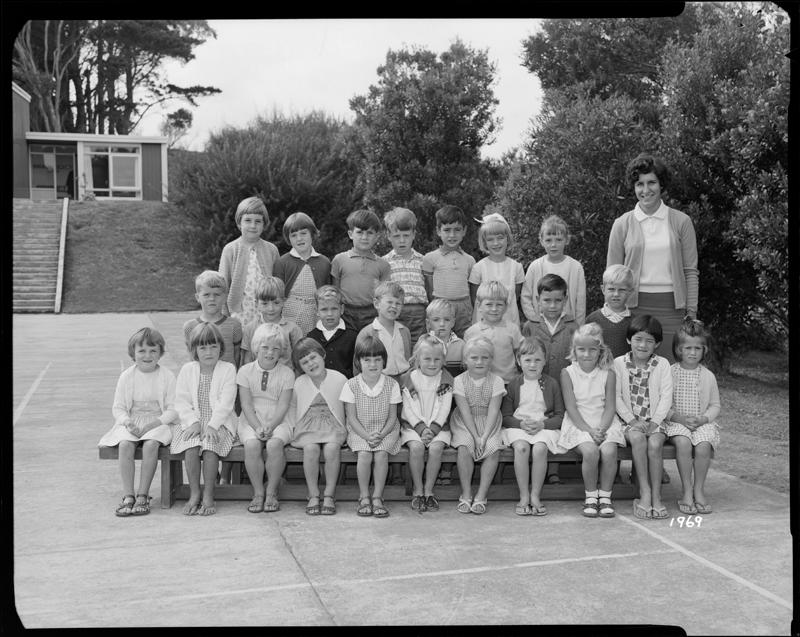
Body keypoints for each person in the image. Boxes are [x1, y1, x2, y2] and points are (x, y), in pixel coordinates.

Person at [607, 153, 699, 362]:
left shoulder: (681, 222)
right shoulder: (622, 224)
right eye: (640, 184)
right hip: (631, 309)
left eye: (652, 183)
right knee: (634, 375)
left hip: (672, 310)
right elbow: (612, 275)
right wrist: (613, 310)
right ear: (633, 187)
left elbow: (690, 272)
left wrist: (691, 313)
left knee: (669, 372)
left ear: (661, 185)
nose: (645, 190)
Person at [98, 327, 177, 517]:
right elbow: (118, 407)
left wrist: (154, 424)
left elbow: (173, 409)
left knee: (150, 445)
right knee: (125, 444)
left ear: (160, 353)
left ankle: (143, 494)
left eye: (153, 351)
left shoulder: (167, 376)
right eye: (142, 351)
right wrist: (127, 422)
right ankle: (128, 495)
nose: (147, 355)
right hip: (133, 421)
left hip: (158, 422)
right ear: (133, 353)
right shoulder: (127, 376)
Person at [558, 323, 626, 518]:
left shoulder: (608, 373)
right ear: (574, 350)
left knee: (609, 450)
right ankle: (590, 497)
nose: (586, 354)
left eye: (592, 349)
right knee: (590, 451)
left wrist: (601, 430)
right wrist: (589, 431)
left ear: (600, 350)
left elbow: (610, 407)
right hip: (578, 423)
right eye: (581, 349)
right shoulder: (567, 373)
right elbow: (571, 407)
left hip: (604, 423)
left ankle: (605, 497)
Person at [171, 322, 237, 516]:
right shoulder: (188, 369)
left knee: (209, 448)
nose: (209, 352)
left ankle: (208, 494)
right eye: (203, 347)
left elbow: (226, 403)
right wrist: (193, 422)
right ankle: (194, 493)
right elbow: (181, 401)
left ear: (221, 348)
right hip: (193, 422)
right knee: (191, 446)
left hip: (219, 423)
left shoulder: (228, 369)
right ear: (194, 350)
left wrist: (212, 425)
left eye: (213, 346)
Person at [614, 314, 674, 520]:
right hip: (627, 422)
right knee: (638, 439)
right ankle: (644, 493)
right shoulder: (618, 363)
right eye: (638, 339)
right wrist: (632, 421)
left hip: (656, 421)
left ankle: (657, 496)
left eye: (649, 341)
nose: (643, 345)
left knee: (656, 445)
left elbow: (667, 396)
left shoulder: (662, 364)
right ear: (629, 340)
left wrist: (655, 422)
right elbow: (616, 397)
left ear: (657, 344)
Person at [500, 337, 565, 516]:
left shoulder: (552, 384)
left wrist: (542, 424)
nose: (532, 364)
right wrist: (520, 424)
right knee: (521, 448)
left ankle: (535, 495)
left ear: (545, 361)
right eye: (527, 360)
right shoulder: (514, 384)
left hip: (543, 426)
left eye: (537, 360)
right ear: (519, 361)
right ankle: (523, 495)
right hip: (518, 426)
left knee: (540, 449)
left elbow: (560, 416)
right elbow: (505, 417)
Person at [340, 333, 402, 518]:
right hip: (360, 430)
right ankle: (364, 495)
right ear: (359, 362)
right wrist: (367, 437)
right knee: (365, 454)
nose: (373, 364)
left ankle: (377, 496)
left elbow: (392, 417)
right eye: (367, 360)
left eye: (377, 359)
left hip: (386, 430)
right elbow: (351, 417)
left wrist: (381, 435)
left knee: (382, 454)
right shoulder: (351, 385)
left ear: (384, 361)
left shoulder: (392, 385)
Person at [235, 323, 294, 514]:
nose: (270, 352)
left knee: (274, 445)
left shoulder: (287, 373)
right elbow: (245, 404)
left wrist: (270, 426)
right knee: (252, 445)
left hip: (279, 417)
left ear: (282, 351)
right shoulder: (245, 371)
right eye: (265, 347)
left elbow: (284, 405)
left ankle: (271, 491)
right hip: (251, 417)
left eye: (276, 348)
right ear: (256, 348)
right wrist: (258, 426)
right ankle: (258, 492)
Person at [664, 319, 720, 515]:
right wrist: (678, 418)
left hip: (701, 421)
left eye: (698, 348)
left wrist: (704, 419)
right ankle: (686, 490)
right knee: (684, 443)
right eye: (688, 347)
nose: (692, 352)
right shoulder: (669, 373)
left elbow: (715, 405)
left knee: (704, 445)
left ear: (704, 350)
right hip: (675, 422)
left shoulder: (708, 376)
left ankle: (699, 489)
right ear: (679, 349)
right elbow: (663, 406)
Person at [289, 338, 349, 516]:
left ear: (323, 355)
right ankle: (313, 493)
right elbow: (293, 408)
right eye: (305, 362)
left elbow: (347, 407)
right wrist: (292, 428)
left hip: (333, 424)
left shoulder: (339, 379)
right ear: (300, 367)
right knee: (310, 449)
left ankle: (329, 494)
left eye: (313, 357)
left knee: (332, 449)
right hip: (308, 425)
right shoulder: (299, 383)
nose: (311, 364)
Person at [450, 336, 506, 515]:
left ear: (491, 360)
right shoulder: (459, 380)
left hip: (489, 421)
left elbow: (494, 410)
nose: (480, 362)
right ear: (466, 360)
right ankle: (466, 493)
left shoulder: (496, 381)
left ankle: (481, 495)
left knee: (492, 448)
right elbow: (464, 411)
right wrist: (475, 436)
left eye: (485, 357)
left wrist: (484, 436)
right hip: (465, 422)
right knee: (465, 447)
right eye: (474, 358)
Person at [398, 335, 454, 512]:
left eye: (437, 359)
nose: (432, 363)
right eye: (427, 359)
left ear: (443, 360)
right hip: (413, 426)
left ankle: (429, 490)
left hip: (439, 426)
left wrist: (433, 429)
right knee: (416, 448)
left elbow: (445, 408)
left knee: (436, 449)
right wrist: (422, 429)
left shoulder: (446, 379)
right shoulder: (410, 378)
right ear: (417, 360)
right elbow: (408, 408)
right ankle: (418, 490)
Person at [218, 196, 280, 323]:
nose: (253, 225)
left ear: (264, 224)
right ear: (239, 223)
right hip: (239, 314)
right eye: (248, 220)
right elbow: (222, 285)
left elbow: (278, 284)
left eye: (258, 221)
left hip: (267, 313)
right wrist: (224, 316)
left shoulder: (271, 250)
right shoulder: (230, 249)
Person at [331, 209, 391, 332]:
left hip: (371, 313)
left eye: (369, 233)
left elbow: (383, 295)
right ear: (350, 234)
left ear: (377, 236)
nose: (364, 237)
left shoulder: (383, 265)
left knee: (369, 348)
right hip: (345, 313)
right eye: (359, 232)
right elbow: (335, 291)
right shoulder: (339, 260)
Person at [272, 212, 331, 336]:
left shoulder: (324, 262)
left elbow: (327, 292)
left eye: (303, 233)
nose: (299, 238)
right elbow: (277, 295)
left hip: (315, 312)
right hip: (290, 312)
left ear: (312, 234)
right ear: (289, 239)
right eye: (294, 235)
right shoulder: (282, 262)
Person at [521, 214, 586, 327]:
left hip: (567, 326)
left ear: (567, 240)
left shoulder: (576, 267)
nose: (553, 245)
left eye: (559, 240)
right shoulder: (535, 266)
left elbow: (580, 301)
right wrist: (535, 320)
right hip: (541, 326)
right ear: (541, 241)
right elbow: (525, 296)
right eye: (548, 240)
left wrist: (579, 327)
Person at [421, 205, 476, 338]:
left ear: (464, 231)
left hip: (464, 306)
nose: (452, 235)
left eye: (457, 230)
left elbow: (472, 289)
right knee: (439, 340)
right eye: (447, 230)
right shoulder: (430, 258)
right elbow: (429, 289)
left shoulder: (470, 260)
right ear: (438, 231)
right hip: (440, 306)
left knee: (465, 338)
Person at [468, 212, 525, 326]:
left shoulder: (516, 267)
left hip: (509, 323)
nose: (496, 243)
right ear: (484, 242)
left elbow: (516, 294)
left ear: (507, 239)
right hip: (483, 324)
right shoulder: (478, 267)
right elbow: (475, 297)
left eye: (500, 238)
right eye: (490, 239)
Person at [382, 207, 428, 344]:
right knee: (398, 346)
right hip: (395, 313)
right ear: (389, 236)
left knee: (419, 347)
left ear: (413, 234)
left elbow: (429, 289)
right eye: (396, 236)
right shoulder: (384, 262)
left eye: (406, 235)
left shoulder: (423, 260)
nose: (402, 240)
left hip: (419, 314)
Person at [464, 280, 523, 384]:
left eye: (499, 304)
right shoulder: (471, 332)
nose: (494, 309)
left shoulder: (512, 329)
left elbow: (520, 355)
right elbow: (466, 361)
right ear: (479, 306)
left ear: (506, 307)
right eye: (489, 304)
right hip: (480, 382)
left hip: (508, 382)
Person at [239, 277, 303, 370]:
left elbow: (299, 358)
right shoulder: (250, 328)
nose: (271, 308)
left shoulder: (293, 329)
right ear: (256, 303)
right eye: (265, 303)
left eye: (276, 303)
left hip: (285, 380)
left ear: (283, 301)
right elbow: (247, 359)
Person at [183, 270, 242, 369]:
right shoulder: (190, 327)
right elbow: (192, 357)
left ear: (225, 297)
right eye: (206, 295)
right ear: (198, 297)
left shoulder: (234, 325)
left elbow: (237, 356)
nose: (212, 299)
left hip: (227, 379)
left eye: (217, 294)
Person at [356, 281, 412, 381]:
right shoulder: (367, 333)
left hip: (405, 380)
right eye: (390, 302)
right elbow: (358, 365)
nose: (394, 306)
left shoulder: (405, 331)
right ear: (377, 303)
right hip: (380, 381)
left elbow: (408, 358)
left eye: (398, 303)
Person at [306, 285, 357, 378]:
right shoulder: (311, 338)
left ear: (342, 309)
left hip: (345, 387)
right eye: (324, 309)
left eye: (334, 309)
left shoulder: (352, 336)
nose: (329, 314)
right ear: (317, 311)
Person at [585, 264, 636, 358]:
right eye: (611, 289)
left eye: (622, 290)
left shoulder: (635, 322)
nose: (616, 294)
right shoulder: (592, 320)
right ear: (603, 289)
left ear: (630, 292)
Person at [424, 298, 465, 379]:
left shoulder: (461, 345)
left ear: (453, 322)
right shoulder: (424, 343)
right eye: (436, 320)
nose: (442, 324)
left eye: (447, 320)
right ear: (428, 323)